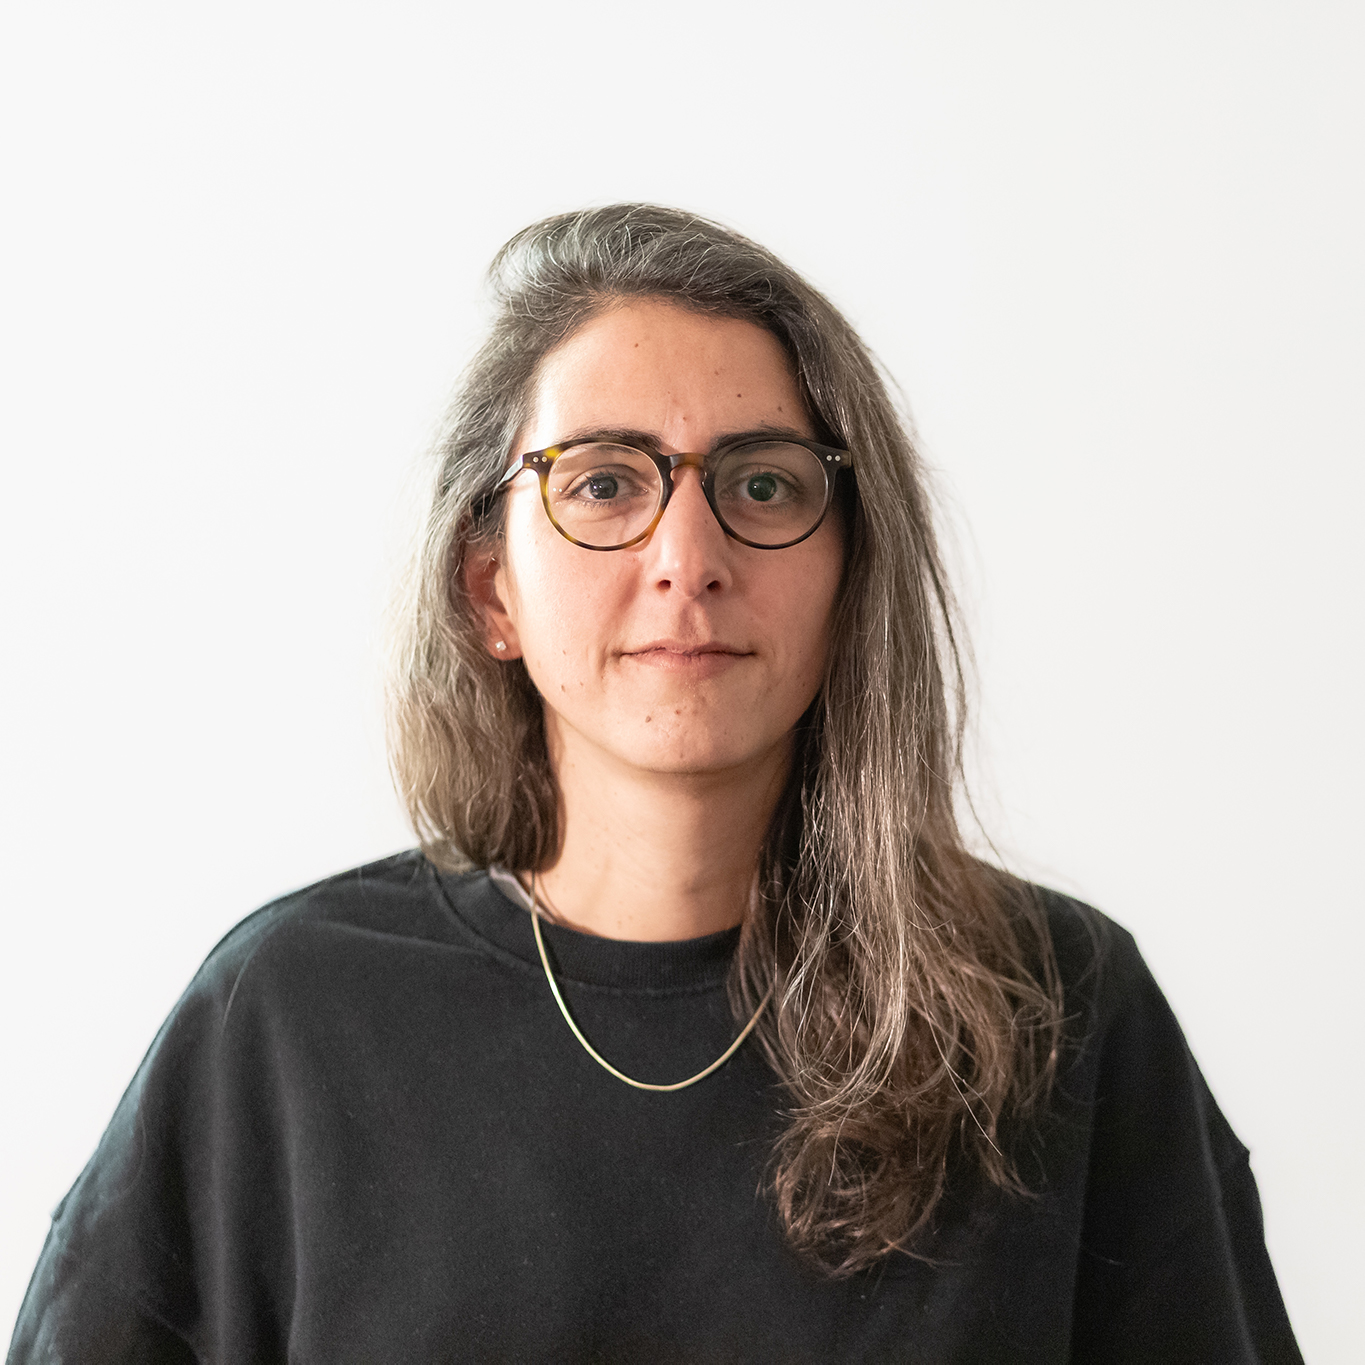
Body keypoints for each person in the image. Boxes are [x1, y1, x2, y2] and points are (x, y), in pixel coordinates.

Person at [9, 205, 1302, 1364]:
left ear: (850, 574)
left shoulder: (1055, 1014)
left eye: (763, 484)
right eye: (604, 483)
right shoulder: (287, 1019)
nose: (688, 555)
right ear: (489, 589)